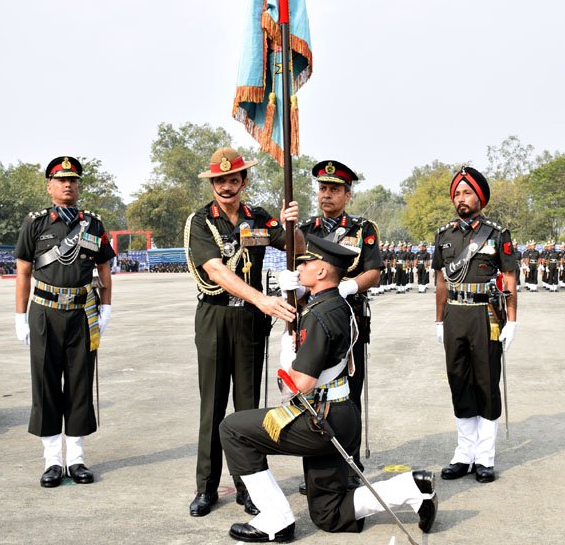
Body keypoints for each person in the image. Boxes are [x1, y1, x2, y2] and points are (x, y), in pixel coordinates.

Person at [219, 235, 437, 543]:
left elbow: (297, 384)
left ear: (322, 272)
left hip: (320, 420)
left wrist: (285, 350)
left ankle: (275, 518)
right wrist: (288, 295)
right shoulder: (338, 306)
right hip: (342, 415)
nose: (299, 268)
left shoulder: (321, 315)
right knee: (329, 514)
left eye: (305, 263)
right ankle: (411, 488)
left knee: (233, 429)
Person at [184, 147, 302, 517]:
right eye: (219, 181)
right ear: (212, 184)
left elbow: (295, 250)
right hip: (216, 317)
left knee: (248, 408)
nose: (226, 186)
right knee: (213, 406)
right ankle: (206, 487)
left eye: (233, 179)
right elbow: (217, 271)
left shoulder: (261, 217)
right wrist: (262, 300)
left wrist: (290, 226)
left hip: (251, 322)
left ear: (243, 181)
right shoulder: (201, 221)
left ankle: (249, 486)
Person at [14, 156, 116, 487]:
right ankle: (52, 461)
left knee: (79, 383)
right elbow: (23, 272)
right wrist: (20, 316)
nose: (67, 184)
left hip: (83, 312)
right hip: (44, 312)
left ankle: (77, 459)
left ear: (78, 185)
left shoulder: (94, 224)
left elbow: (103, 270)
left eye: (73, 180)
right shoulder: (36, 223)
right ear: (50, 186)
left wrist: (107, 307)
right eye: (61, 180)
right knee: (45, 385)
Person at [285, 160, 382, 492]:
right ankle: (318, 466)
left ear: (347, 194)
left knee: (348, 395)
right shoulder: (305, 229)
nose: (327, 195)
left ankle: (350, 465)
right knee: (312, 393)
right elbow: (299, 271)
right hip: (312, 319)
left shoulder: (362, 228)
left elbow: (373, 270)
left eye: (334, 189)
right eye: (323, 188)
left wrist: (349, 285)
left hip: (348, 320)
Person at [433, 166, 518, 483]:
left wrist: (512, 319)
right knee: (459, 382)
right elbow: (441, 281)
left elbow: (509, 277)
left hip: (486, 316)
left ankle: (484, 457)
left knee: (486, 383)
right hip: (455, 314)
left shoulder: (497, 235)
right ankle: (463, 454)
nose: (461, 198)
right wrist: (439, 319)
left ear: (480, 197)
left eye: (467, 192)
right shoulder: (444, 235)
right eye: (457, 193)